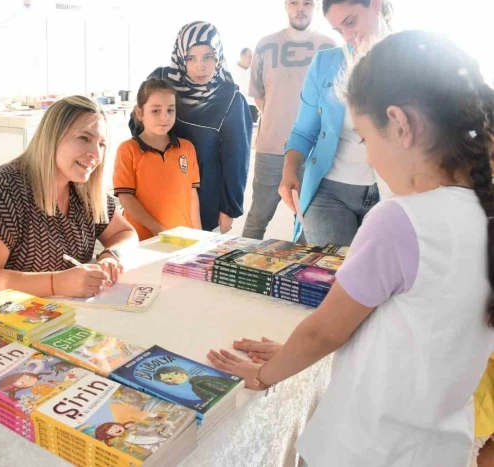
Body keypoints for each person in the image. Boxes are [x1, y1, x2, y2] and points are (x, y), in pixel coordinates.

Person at [209, 30, 494, 467]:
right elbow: (409, 329)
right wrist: (289, 350)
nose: (370, 158)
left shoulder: (400, 221)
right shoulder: (482, 214)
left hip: (365, 450)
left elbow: (327, 330)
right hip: (441, 451)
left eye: (363, 139)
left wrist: (263, 375)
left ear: (399, 124)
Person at [0, 96, 138, 298]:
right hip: (16, 321)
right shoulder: (4, 190)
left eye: (101, 144)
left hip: (74, 314)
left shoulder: (84, 188)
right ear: (52, 136)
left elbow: (126, 233)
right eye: (84, 138)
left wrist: (111, 256)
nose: (96, 155)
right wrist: (56, 284)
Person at [278, 0, 393, 246]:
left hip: (392, 194)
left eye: (352, 22)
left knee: (381, 281)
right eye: (340, 30)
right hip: (329, 192)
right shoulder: (326, 63)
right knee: (330, 277)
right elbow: (303, 131)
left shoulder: (411, 59)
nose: (349, 36)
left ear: (375, 4)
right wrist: (289, 169)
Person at [130, 21, 253, 233]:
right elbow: (138, 127)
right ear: (180, 57)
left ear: (219, 57)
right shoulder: (160, 82)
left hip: (204, 201)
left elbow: (237, 160)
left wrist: (228, 210)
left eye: (208, 57)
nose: (200, 66)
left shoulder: (230, 98)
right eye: (190, 58)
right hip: (154, 193)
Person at [241, 0, 335, 240]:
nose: (300, 9)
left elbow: (334, 102)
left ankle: (299, 279)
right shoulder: (265, 45)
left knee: (307, 224)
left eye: (307, 3)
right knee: (258, 218)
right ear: (286, 4)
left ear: (316, 7)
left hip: (314, 153)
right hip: (271, 149)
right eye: (294, 2)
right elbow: (260, 96)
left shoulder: (329, 47)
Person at [114, 78, 201, 240]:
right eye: (156, 111)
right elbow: (126, 197)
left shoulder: (187, 148)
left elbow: (192, 195)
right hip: (143, 240)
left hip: (182, 239)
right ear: (140, 113)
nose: (164, 117)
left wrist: (198, 235)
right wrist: (157, 229)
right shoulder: (128, 150)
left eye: (170, 110)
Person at [233, 48, 259, 123]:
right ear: (242, 56)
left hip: (252, 106)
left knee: (251, 131)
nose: (251, 60)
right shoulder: (231, 69)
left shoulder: (255, 71)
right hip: (237, 106)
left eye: (253, 57)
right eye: (249, 57)